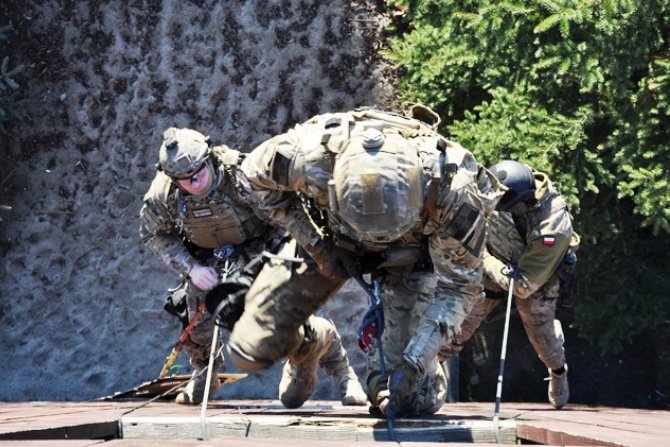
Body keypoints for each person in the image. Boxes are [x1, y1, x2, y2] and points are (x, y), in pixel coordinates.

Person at [232, 106, 502, 417]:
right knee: (252, 342)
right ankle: (316, 343)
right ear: (332, 190)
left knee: (408, 399)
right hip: (329, 238)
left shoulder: (454, 191)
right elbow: (250, 178)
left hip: (410, 256)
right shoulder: (308, 158)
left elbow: (460, 287)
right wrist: (317, 245)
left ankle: (416, 370)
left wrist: (415, 359)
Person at [138, 127, 367, 406]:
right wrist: (191, 268)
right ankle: (204, 372)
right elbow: (154, 234)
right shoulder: (164, 193)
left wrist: (288, 259)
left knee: (277, 322)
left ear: (209, 160)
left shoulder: (243, 178)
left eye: (197, 174)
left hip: (260, 249)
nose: (193, 183)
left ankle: (343, 374)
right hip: (205, 261)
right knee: (197, 325)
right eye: (183, 180)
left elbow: (285, 215)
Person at [440, 160, 579, 409]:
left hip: (534, 279)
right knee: (459, 323)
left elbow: (524, 285)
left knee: (542, 336)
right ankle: (430, 375)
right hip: (492, 264)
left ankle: (558, 372)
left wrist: (481, 257)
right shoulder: (495, 188)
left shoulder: (552, 226)